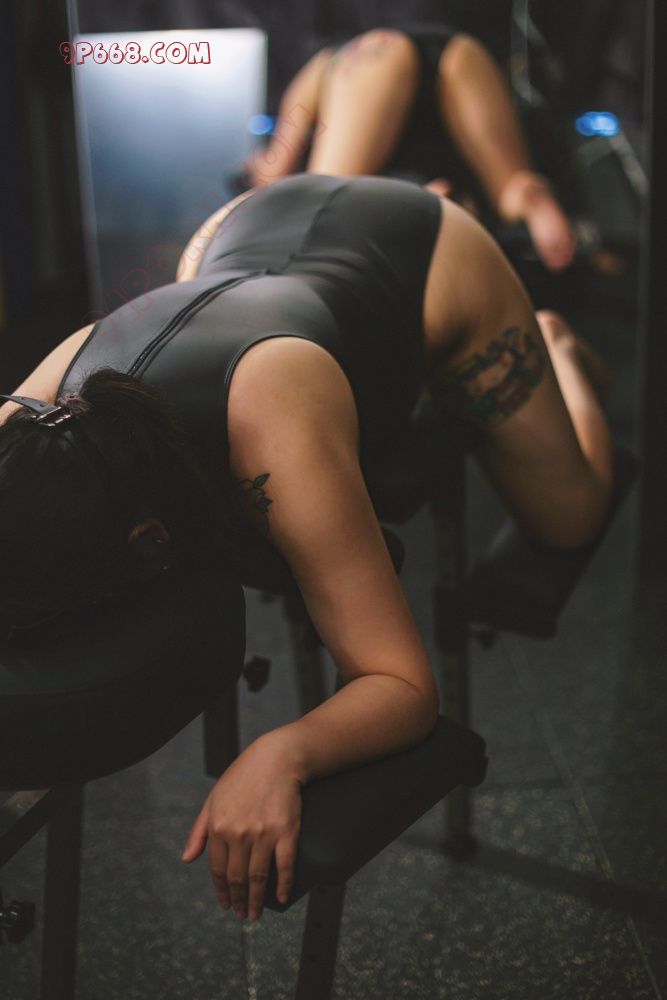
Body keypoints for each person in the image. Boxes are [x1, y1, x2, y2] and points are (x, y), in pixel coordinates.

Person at [0, 173, 612, 922]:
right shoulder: (25, 423)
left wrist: (280, 753)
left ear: (147, 542)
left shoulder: (272, 434)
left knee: (570, 517)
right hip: (241, 231)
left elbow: (401, 682)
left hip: (427, 251)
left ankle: (556, 350)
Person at [249, 26, 577, 272]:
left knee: (321, 209)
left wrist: (260, 170)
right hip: (457, 51)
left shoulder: (323, 64)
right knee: (508, 185)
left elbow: (276, 166)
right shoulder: (327, 61)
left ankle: (418, 205)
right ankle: (526, 195)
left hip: (374, 58)